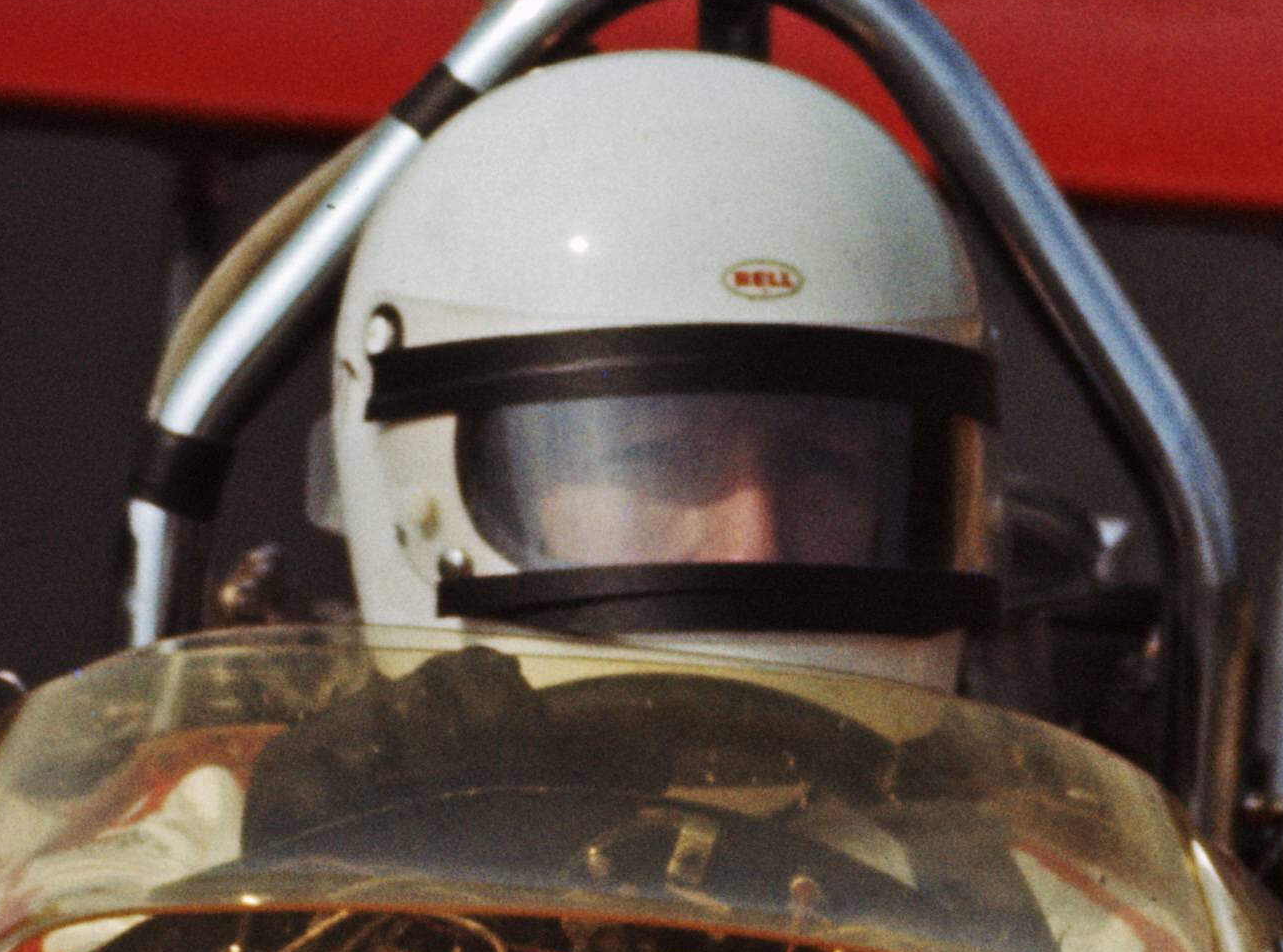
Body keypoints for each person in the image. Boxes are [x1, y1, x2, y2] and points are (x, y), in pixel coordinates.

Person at [312, 45, 1000, 692]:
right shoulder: (250, 815)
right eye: (654, 458)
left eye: (823, 462)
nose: (754, 547)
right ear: (412, 485)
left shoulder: (1023, 817)